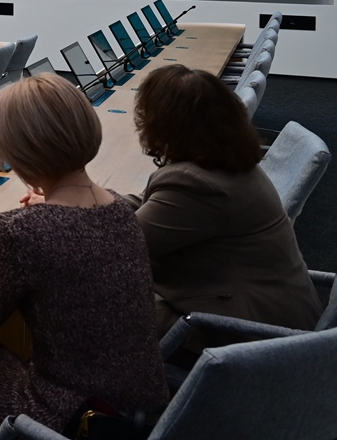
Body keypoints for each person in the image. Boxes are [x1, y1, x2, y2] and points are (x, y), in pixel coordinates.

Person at [0, 74, 166, 440]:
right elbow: (50, 276)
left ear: (17, 151)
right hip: (137, 413)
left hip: (71, 417)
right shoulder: (119, 208)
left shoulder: (22, 227)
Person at [127, 64, 320, 335]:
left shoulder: (195, 184)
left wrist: (74, 207)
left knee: (95, 295)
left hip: (248, 330)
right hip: (271, 306)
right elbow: (152, 204)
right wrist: (91, 197)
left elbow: (123, 244)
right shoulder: (229, 162)